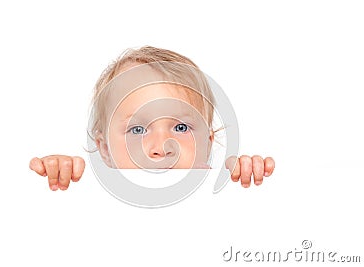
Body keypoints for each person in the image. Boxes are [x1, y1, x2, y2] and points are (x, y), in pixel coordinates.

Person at [29, 46, 275, 191]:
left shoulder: (219, 186)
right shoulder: (94, 189)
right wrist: (61, 172)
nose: (161, 148)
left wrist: (248, 173)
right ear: (104, 149)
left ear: (209, 143)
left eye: (180, 127)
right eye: (137, 130)